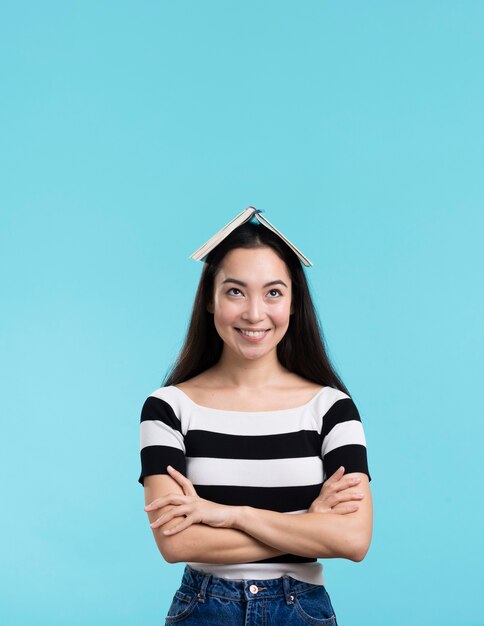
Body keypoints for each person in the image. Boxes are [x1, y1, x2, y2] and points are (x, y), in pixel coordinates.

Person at [138, 218, 372, 625]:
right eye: (235, 291)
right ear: (210, 299)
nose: (254, 313)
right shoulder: (167, 409)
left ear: (294, 302)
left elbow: (352, 539)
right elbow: (178, 542)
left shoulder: (332, 409)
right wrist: (309, 524)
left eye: (273, 293)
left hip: (300, 610)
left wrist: (234, 515)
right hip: (204, 609)